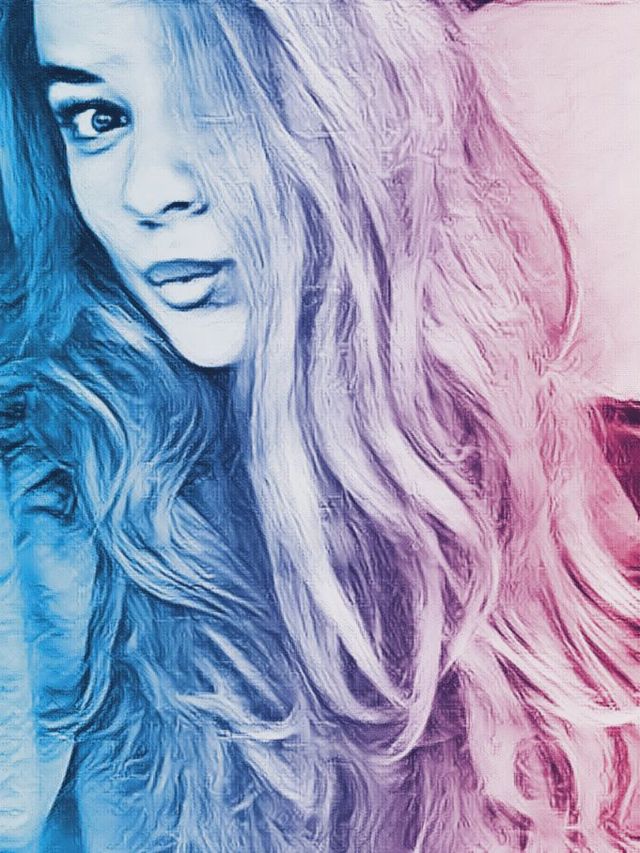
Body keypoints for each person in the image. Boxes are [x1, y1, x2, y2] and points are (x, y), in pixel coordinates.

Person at [0, 0, 637, 850]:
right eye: (97, 117)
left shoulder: (526, 464)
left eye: (217, 98)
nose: (148, 191)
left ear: (357, 97)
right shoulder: (47, 510)